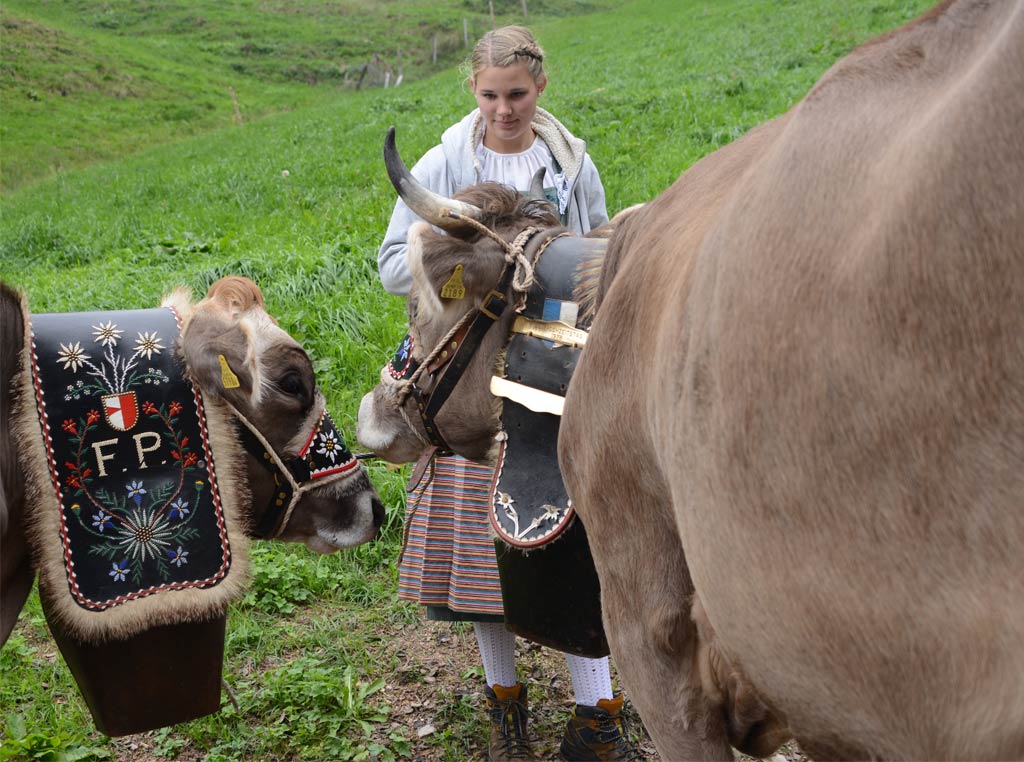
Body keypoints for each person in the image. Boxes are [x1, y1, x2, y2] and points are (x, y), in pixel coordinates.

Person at [377, 25, 643, 762]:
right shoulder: (443, 161)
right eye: (491, 95)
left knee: (570, 535)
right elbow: (394, 266)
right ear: (473, 91)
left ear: (541, 89)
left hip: (553, 369)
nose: (504, 109)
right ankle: (505, 701)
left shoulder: (571, 161)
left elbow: (595, 253)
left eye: (517, 95)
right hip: (467, 367)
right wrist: (468, 258)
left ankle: (599, 714)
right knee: (476, 547)